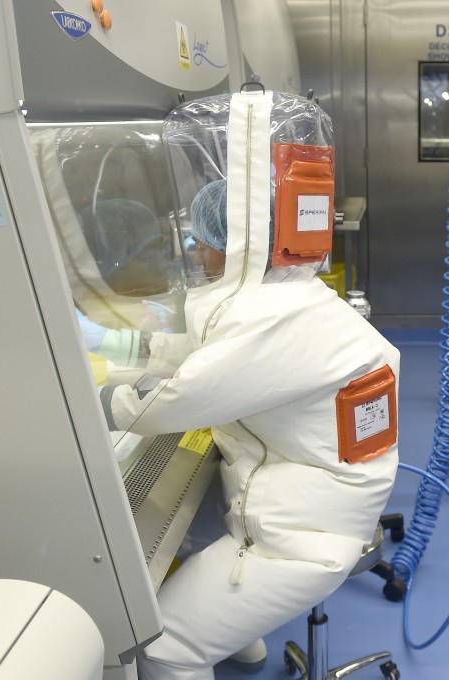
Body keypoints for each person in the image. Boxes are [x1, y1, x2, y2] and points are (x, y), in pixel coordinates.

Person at [97, 179, 401, 679]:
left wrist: (98, 401)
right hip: (317, 500)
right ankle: (239, 636)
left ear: (243, 244)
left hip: (306, 533)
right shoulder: (288, 295)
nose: (193, 248)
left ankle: (209, 634)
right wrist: (128, 348)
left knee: (161, 646)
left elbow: (176, 398)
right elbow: (213, 352)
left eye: (204, 238)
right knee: (188, 542)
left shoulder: (272, 320)